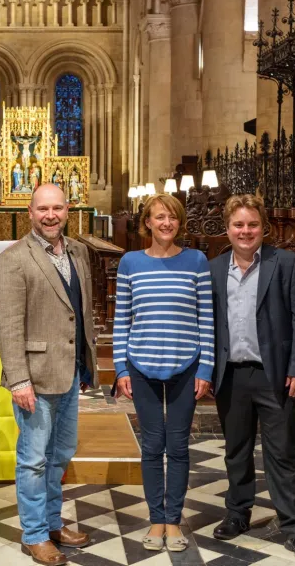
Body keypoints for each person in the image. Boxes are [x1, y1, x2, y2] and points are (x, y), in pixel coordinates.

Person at [0, 183, 99, 566]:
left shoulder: (79, 252)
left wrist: (87, 363)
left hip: (70, 371)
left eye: (57, 208)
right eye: (43, 209)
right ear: (31, 212)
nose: (50, 215)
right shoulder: (14, 259)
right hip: (35, 377)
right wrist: (18, 380)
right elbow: (7, 325)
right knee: (34, 458)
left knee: (61, 454)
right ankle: (35, 533)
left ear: (68, 209)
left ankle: (54, 523)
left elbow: (81, 313)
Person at [210, 194, 295, 564]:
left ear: (263, 227)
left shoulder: (286, 263)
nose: (245, 231)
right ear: (227, 229)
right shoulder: (214, 268)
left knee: (282, 454)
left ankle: (294, 528)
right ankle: (238, 513)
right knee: (236, 451)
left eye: (252, 224)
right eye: (238, 225)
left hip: (275, 374)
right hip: (231, 375)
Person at [113, 193, 214, 552]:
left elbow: (207, 320)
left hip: (186, 366)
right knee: (153, 447)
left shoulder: (197, 261)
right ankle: (156, 520)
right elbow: (122, 318)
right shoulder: (130, 262)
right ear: (148, 222)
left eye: (171, 217)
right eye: (159, 217)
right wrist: (120, 366)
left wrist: (206, 366)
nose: (166, 223)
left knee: (180, 446)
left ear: (179, 221)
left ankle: (174, 521)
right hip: (141, 367)